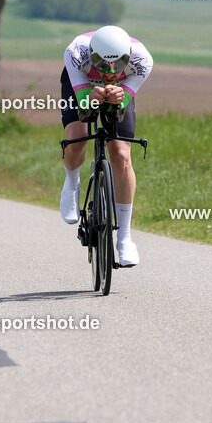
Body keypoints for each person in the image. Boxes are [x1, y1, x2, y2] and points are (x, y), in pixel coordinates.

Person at [59, 26, 152, 267]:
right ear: (92, 56)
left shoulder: (142, 60)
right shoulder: (75, 53)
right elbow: (84, 109)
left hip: (121, 89)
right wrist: (89, 98)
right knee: (77, 138)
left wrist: (121, 96)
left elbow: (118, 112)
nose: (109, 72)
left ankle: (125, 238)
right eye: (102, 65)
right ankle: (72, 181)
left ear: (128, 58)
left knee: (121, 153)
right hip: (80, 84)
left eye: (117, 65)